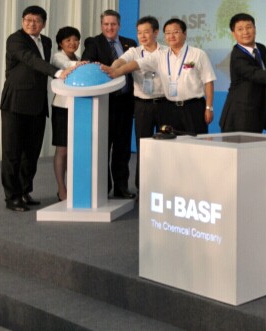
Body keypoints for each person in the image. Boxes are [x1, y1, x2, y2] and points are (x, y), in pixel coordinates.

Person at [0, 6, 74, 212]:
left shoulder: (47, 41)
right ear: (22, 21)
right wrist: (57, 72)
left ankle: (25, 191)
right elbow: (31, 60)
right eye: (28, 20)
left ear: (43, 24)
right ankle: (12, 197)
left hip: (37, 104)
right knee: (12, 153)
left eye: (36, 21)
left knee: (31, 153)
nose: (31, 24)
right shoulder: (15, 39)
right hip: (15, 103)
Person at [107, 18, 216, 135]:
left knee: (196, 142)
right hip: (171, 108)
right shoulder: (161, 55)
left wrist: (209, 108)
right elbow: (137, 63)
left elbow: (208, 81)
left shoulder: (198, 54)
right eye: (168, 33)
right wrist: (116, 71)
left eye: (175, 32)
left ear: (184, 33)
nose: (171, 36)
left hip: (193, 107)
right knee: (171, 143)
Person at [81, 10, 137, 199]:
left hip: (125, 103)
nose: (109, 27)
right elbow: (88, 65)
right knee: (103, 147)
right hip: (104, 103)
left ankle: (121, 187)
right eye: (106, 24)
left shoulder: (130, 44)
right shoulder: (93, 43)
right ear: (101, 25)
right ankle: (103, 188)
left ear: (119, 25)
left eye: (113, 24)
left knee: (123, 148)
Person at [112, 16, 167, 190]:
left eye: (146, 32)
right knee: (144, 147)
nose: (142, 36)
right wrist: (113, 67)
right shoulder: (134, 51)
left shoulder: (166, 52)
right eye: (139, 32)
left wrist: (117, 71)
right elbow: (121, 61)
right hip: (143, 105)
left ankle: (165, 187)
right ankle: (142, 187)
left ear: (156, 33)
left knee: (166, 146)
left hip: (165, 104)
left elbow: (135, 65)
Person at [219, 13, 266, 133]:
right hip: (239, 115)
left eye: (249, 27)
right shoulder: (237, 55)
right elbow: (255, 73)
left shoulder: (261, 48)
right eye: (240, 29)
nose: (245, 32)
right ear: (233, 34)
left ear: (255, 29)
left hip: (257, 112)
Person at [50, 26, 82, 201]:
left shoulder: (79, 58)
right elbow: (67, 67)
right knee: (62, 149)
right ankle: (61, 188)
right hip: (62, 108)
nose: (72, 43)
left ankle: (73, 186)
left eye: (75, 40)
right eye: (68, 40)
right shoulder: (58, 57)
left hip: (78, 107)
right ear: (60, 43)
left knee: (74, 149)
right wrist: (84, 65)